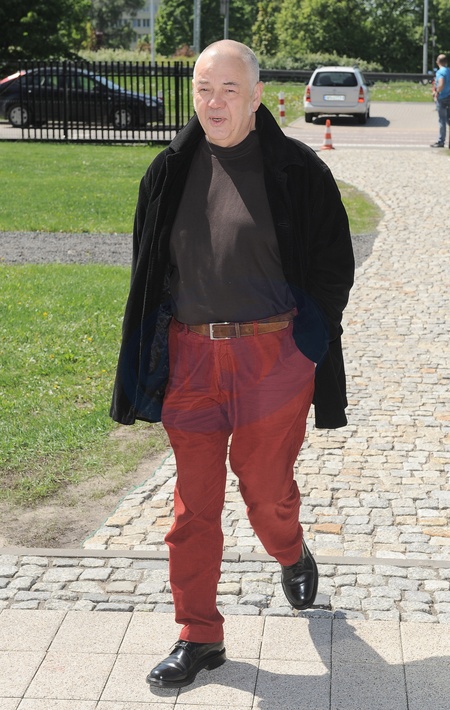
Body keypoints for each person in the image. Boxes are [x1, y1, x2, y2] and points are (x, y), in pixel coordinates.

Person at [110, 40, 354, 689]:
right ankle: (199, 634)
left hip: (273, 358)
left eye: (228, 89)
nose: (214, 102)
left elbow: (333, 266)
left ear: (255, 96)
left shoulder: (298, 171)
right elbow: (148, 271)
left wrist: (304, 345)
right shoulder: (168, 170)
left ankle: (289, 548)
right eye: (203, 88)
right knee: (194, 505)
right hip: (191, 359)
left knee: (265, 490)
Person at [431, 53, 450, 148]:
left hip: (442, 97)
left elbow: (441, 83)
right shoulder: (449, 71)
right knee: (448, 119)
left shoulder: (440, 72)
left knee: (442, 120)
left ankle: (441, 141)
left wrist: (436, 92)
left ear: (438, 62)